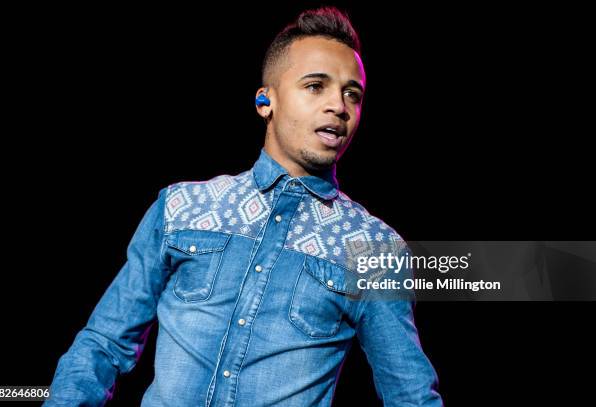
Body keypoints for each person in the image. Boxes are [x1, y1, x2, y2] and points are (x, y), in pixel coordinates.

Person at [45, 7, 443, 406]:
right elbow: (103, 345)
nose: (339, 106)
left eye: (351, 94)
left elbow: (410, 394)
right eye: (315, 86)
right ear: (264, 101)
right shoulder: (182, 206)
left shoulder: (373, 247)